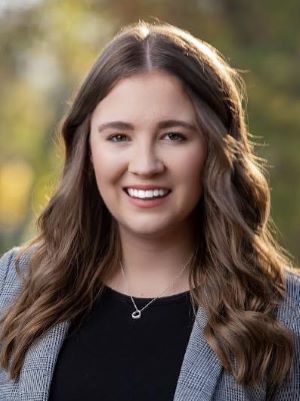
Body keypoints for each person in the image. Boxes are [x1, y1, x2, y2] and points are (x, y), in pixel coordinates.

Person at [0, 20, 299, 401]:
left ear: (215, 149)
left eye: (174, 136)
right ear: (87, 150)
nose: (145, 164)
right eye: (119, 137)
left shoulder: (286, 315)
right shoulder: (13, 288)